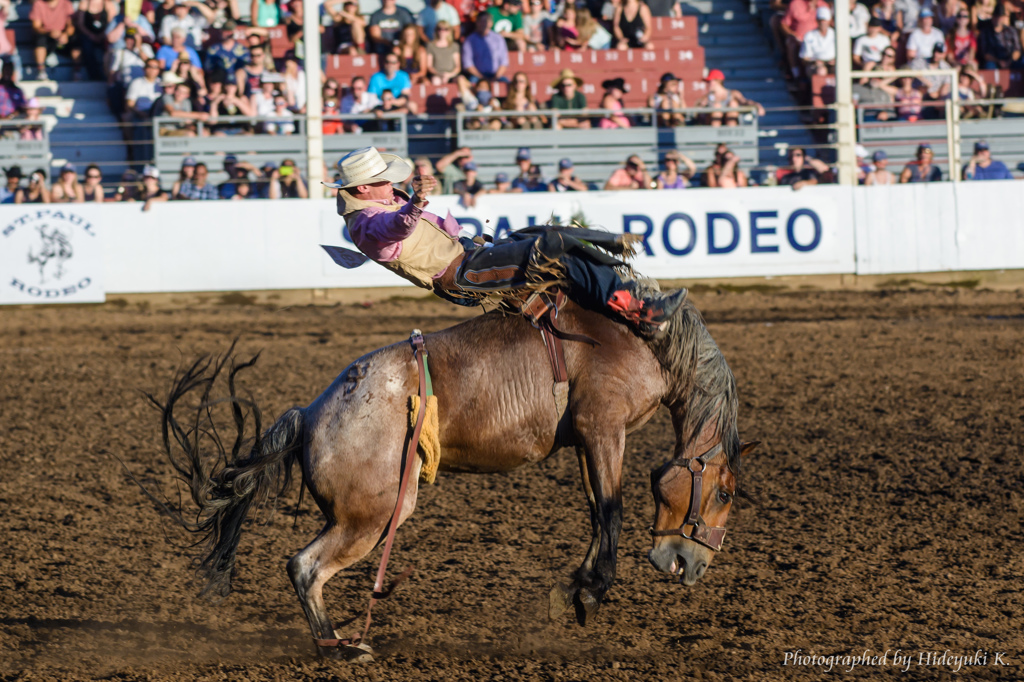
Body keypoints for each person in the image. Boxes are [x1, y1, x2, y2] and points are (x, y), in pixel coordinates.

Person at [327, 146, 687, 333]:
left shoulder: (383, 202)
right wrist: (418, 202)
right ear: (362, 187)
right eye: (383, 180)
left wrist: (468, 238)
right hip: (459, 274)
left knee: (544, 236)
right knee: (551, 247)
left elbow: (427, 227)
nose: (392, 184)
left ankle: (616, 279)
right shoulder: (366, 224)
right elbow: (399, 229)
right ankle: (637, 309)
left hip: (467, 256)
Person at [694, 69, 765, 127]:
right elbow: (696, 112)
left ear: (715, 81)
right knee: (716, 107)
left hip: (730, 125)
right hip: (712, 127)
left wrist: (756, 105)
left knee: (733, 104)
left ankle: (730, 137)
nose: (707, 84)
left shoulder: (733, 94)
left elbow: (744, 101)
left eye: (708, 82)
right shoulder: (706, 98)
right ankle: (716, 139)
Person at [29, 0, 78, 80]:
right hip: (46, 36)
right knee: (40, 39)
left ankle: (77, 71)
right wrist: (50, 32)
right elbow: (36, 27)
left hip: (62, 36)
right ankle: (41, 71)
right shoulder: (38, 4)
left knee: (76, 39)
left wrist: (65, 35)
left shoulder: (66, 3)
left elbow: (71, 26)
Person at [462, 12, 509, 83]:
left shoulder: (498, 38)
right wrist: (482, 78)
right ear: (477, 22)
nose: (484, 24)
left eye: (486, 21)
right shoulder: (470, 40)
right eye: (481, 21)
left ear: (491, 23)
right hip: (477, 76)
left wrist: (496, 77)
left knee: (507, 85)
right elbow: (468, 64)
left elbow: (504, 62)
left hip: (495, 75)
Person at [800, 6, 836, 77]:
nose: (822, 23)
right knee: (821, 71)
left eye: (824, 20)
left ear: (829, 21)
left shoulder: (835, 34)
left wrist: (835, 61)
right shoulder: (809, 35)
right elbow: (804, 58)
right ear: (816, 20)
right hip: (815, 66)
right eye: (820, 20)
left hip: (833, 65)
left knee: (840, 70)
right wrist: (815, 62)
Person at [424, 20, 461, 84]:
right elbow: (429, 66)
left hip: (451, 75)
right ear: (436, 30)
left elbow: (458, 67)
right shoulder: (431, 46)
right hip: (437, 75)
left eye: (445, 29)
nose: (442, 31)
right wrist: (441, 74)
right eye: (440, 29)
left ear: (449, 31)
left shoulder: (454, 46)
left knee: (460, 80)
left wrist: (449, 75)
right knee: (436, 81)